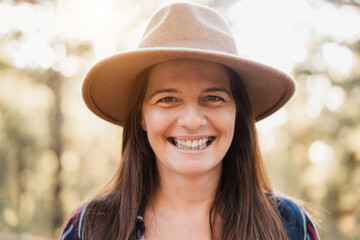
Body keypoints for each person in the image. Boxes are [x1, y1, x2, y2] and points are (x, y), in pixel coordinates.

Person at [61, 2, 320, 240]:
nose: (192, 121)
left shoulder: (291, 227)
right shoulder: (89, 228)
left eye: (214, 98)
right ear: (142, 115)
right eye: (168, 99)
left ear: (237, 112)